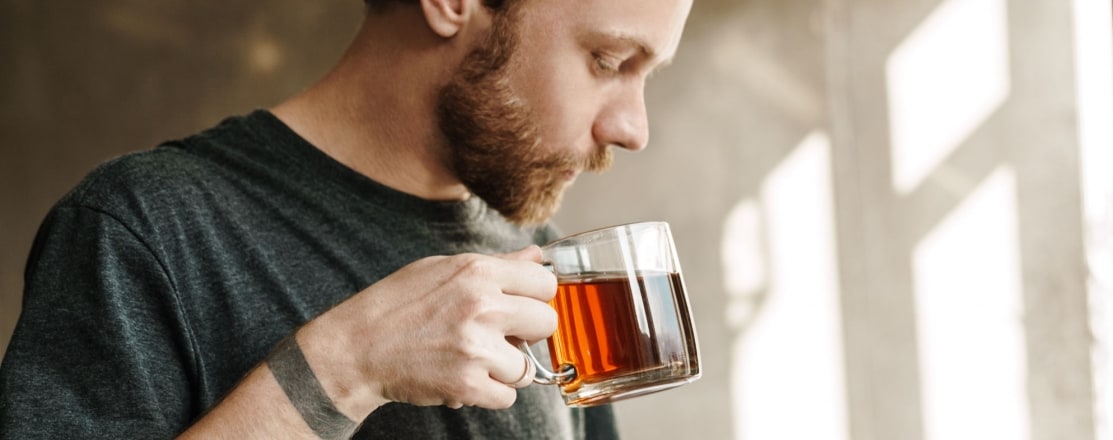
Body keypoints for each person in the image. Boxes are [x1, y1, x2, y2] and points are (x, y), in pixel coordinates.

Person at [0, 0, 691, 437]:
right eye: (607, 60)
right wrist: (346, 366)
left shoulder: (542, 259)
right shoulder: (142, 227)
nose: (633, 129)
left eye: (649, 73)